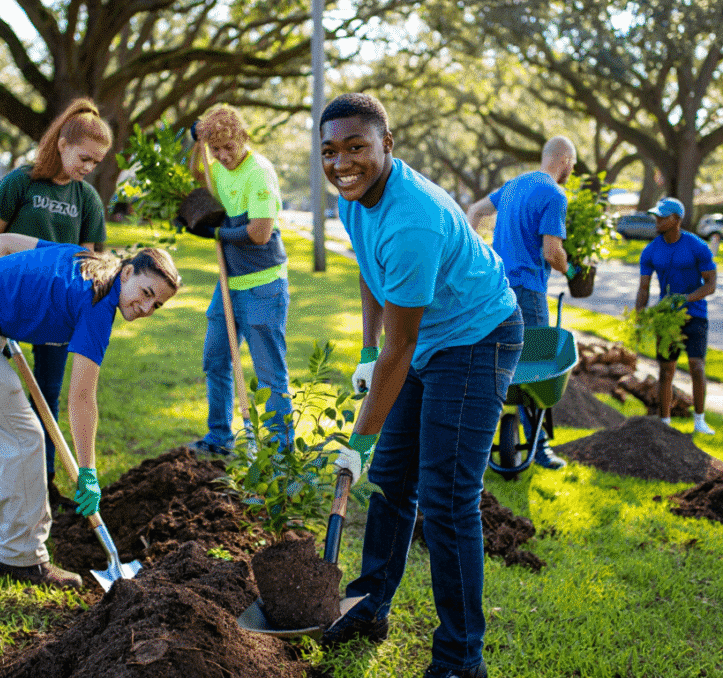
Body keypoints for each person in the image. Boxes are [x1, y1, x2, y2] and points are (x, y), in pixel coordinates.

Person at [319, 93, 523, 678]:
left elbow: (402, 350)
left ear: (388, 145)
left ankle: (462, 659)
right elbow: (370, 270)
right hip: (426, 337)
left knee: (447, 499)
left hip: (477, 336)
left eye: (356, 147)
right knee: (390, 481)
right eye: (330, 151)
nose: (341, 162)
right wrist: (365, 348)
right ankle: (368, 604)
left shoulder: (413, 219)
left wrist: (358, 440)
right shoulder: (353, 199)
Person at [0, 232, 181, 588]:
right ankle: (20, 558)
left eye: (157, 305)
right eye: (146, 292)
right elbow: (81, 398)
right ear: (127, 273)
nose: (146, 308)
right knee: (24, 435)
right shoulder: (97, 305)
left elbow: (5, 242)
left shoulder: (83, 258)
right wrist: (88, 471)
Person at [0, 98, 111, 508]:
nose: (89, 167)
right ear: (63, 144)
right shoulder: (22, 182)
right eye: (84, 157)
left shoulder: (87, 199)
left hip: (55, 313)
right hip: (5, 306)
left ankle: (45, 484)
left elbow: (87, 265)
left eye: (96, 162)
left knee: (47, 396)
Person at [182, 104, 291, 455]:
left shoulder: (259, 172)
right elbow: (197, 174)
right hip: (229, 284)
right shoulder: (216, 167)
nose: (224, 156)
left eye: (229, 147)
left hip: (262, 285)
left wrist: (215, 233)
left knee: (269, 375)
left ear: (243, 138)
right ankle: (219, 438)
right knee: (215, 359)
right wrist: (199, 144)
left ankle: (279, 456)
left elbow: (260, 233)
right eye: (217, 150)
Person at [465, 134, 577, 470]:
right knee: (535, 370)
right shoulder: (555, 195)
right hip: (527, 292)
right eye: (572, 164)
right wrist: (569, 268)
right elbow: (551, 251)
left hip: (495, 290)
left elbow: (474, 210)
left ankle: (479, 445)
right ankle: (539, 449)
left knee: (495, 365)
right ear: (565, 161)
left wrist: (474, 255)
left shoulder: (514, 185)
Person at [634, 197, 718, 435]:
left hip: (695, 315)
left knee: (697, 366)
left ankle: (700, 420)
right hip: (667, 318)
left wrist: (685, 299)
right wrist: (638, 317)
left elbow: (711, 284)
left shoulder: (697, 246)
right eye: (657, 216)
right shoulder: (651, 251)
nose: (657, 221)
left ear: (677, 219)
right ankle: (664, 422)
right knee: (666, 370)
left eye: (663, 217)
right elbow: (643, 288)